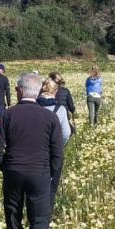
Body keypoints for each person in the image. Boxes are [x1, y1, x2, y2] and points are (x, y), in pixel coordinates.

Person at [0, 73, 63, 229]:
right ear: (39, 91)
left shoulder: (7, 114)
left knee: (13, 213)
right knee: (40, 216)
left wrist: (6, 167)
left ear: (19, 91)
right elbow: (57, 152)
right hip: (39, 172)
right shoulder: (49, 117)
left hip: (13, 170)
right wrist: (51, 175)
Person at [38, 78, 71, 215]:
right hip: (53, 153)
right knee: (51, 188)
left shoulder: (34, 107)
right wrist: (58, 146)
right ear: (55, 92)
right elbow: (66, 133)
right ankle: (46, 217)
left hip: (34, 152)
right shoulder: (60, 109)